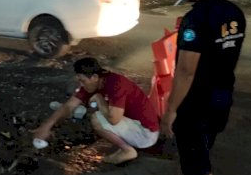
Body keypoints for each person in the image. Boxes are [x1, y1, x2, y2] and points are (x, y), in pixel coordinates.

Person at [160, 0, 246, 175]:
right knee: (197, 148)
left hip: (197, 101)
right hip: (222, 96)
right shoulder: (234, 13)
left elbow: (185, 71)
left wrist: (171, 109)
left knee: (198, 162)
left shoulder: (196, 17)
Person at [32, 57, 160, 165]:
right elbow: (69, 106)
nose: (81, 85)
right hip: (134, 126)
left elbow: (114, 120)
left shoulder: (116, 84)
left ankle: (127, 150)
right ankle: (125, 143)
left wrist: (99, 99)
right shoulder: (93, 83)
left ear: (94, 77)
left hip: (146, 134)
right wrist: (46, 127)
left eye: (83, 80)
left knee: (97, 118)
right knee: (97, 112)